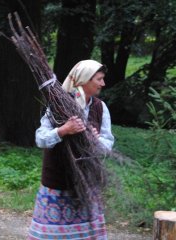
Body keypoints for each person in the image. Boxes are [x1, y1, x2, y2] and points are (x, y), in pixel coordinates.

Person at [28, 59, 114, 239]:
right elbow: (40, 139)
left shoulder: (100, 108)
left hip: (85, 185)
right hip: (57, 184)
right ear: (85, 80)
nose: (103, 84)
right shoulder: (58, 105)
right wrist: (63, 130)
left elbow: (107, 144)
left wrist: (95, 141)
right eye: (99, 79)